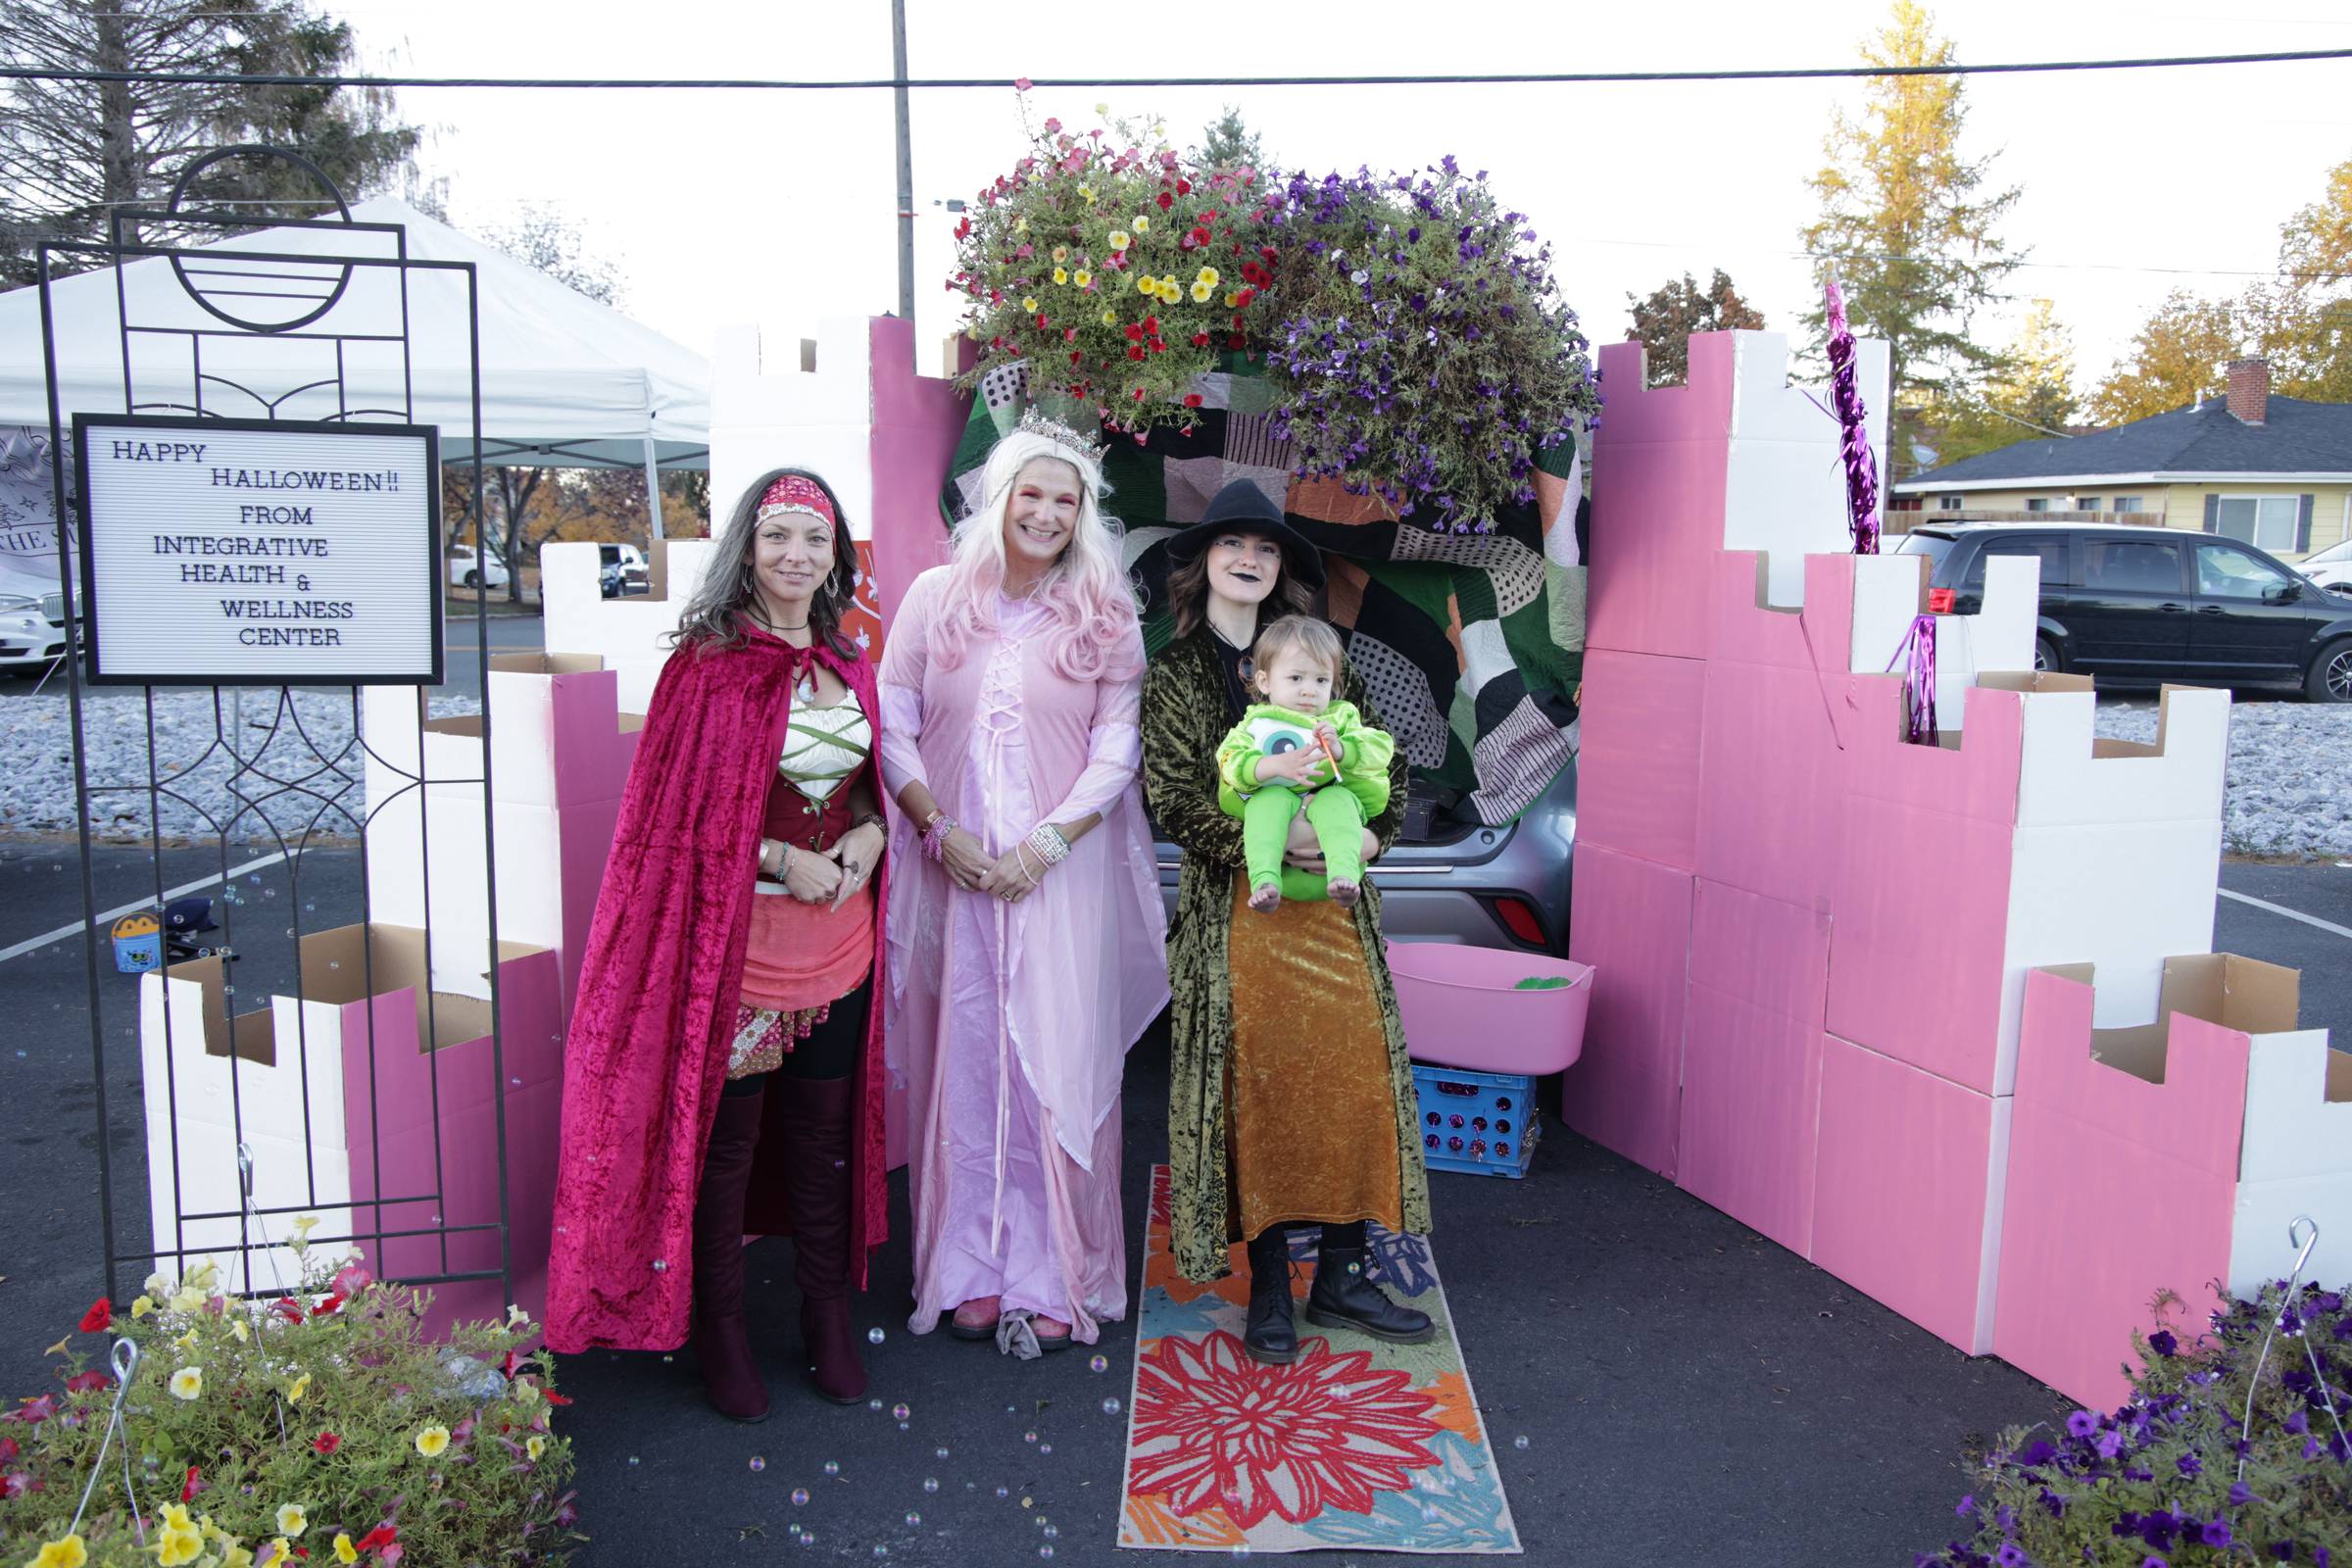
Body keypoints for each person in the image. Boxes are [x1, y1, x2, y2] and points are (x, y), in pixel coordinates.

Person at [545, 468, 891, 1424]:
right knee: (726, 1151)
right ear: (747, 546)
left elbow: (868, 785)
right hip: (739, 961)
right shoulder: (705, 667)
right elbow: (670, 828)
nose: (796, 555)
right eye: (778, 535)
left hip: (841, 951)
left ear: (837, 557)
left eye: (815, 540)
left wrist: (868, 833)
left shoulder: (849, 661)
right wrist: (780, 852)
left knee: (821, 1144)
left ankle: (825, 1314)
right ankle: (723, 1330)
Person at [879, 413, 1167, 1356]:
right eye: (1030, 494)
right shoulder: (932, 597)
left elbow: (1117, 748)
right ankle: (969, 1263)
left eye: (1065, 499)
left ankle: (1054, 1272)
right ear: (999, 500)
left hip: (1057, 879)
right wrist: (938, 829)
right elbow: (894, 722)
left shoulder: (1105, 615)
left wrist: (1043, 847)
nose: (1045, 513)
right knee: (968, 1057)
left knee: (1055, 1063)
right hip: (956, 871)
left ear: (1083, 515)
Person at [1140, 479, 1434, 1366]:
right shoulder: (1178, 672)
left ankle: (1342, 1275)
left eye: (1266, 549)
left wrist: (1368, 840)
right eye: (1233, 544)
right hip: (1241, 918)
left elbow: (1395, 766)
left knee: (1350, 1085)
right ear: (1203, 562)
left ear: (1280, 569)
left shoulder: (1323, 654)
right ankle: (1269, 1287)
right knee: (1257, 1096)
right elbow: (1173, 800)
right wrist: (1269, 843)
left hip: (1336, 921)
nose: (1250, 559)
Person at [1215, 614, 1396, 912]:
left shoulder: (1340, 718)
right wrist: (1272, 766)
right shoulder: (1257, 723)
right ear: (1265, 681)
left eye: (1321, 680)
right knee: (1266, 803)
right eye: (1296, 678)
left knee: (1337, 800)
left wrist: (1342, 749)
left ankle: (1343, 875)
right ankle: (1265, 879)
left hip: (1325, 820)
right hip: (1283, 828)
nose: (1309, 690)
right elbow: (1229, 760)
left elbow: (1381, 748)